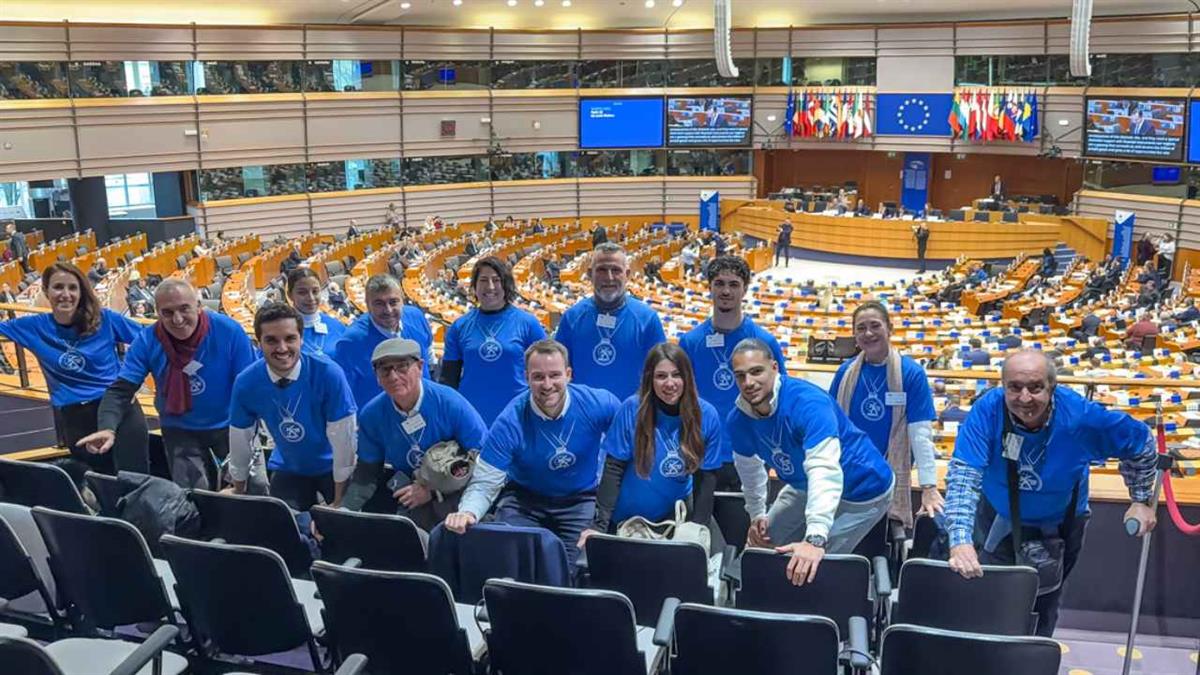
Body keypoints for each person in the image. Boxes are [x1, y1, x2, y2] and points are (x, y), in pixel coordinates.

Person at [943, 349, 1157, 637]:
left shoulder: (1081, 418)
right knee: (988, 599)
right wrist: (960, 539)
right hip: (996, 517)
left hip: (1059, 525)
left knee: (1044, 603)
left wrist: (1140, 498)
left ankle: (1033, 653)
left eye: (1036, 388)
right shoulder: (987, 409)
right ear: (1003, 387)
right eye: (1014, 387)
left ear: (1052, 387)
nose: (1025, 398)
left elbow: (1141, 441)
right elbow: (964, 475)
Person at [727, 339, 894, 585]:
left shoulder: (808, 403)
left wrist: (815, 537)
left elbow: (824, 470)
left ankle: (797, 602)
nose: (748, 382)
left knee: (810, 566)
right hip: (804, 484)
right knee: (761, 543)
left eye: (756, 371)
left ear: (774, 367)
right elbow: (750, 471)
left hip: (863, 489)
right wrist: (757, 515)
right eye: (740, 376)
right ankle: (746, 598)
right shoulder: (738, 420)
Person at [445, 339, 621, 568]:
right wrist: (468, 512)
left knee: (575, 568)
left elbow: (629, 442)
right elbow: (486, 481)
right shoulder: (510, 421)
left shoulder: (599, 404)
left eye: (555, 375)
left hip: (580, 499)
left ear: (568, 375)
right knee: (510, 563)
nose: (547, 385)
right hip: (525, 501)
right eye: (538, 377)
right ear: (526, 377)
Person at [80, 279, 257, 489]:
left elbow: (249, 385)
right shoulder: (148, 340)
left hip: (230, 426)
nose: (178, 319)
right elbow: (120, 391)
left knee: (251, 489)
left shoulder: (228, 331)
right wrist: (107, 428)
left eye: (184, 309)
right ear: (157, 313)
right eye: (168, 312)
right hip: (180, 431)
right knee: (193, 496)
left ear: (199, 306)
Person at [0, 262, 149, 474]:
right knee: (97, 481)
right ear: (45, 291)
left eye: (72, 288)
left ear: (81, 292)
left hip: (119, 409)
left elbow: (150, 341)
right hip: (75, 417)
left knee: (134, 479)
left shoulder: (105, 319)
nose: (66, 294)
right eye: (58, 287)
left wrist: (131, 380)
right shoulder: (33, 327)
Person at [579, 343, 723, 545]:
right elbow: (613, 469)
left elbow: (706, 478)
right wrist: (599, 526)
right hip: (628, 519)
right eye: (661, 376)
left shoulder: (707, 415)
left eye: (676, 375)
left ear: (687, 377)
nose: (670, 383)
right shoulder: (632, 409)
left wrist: (699, 529)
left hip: (675, 518)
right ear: (650, 379)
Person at [344, 338, 488, 530]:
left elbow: (484, 459)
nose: (393, 376)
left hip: (458, 494)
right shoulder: (372, 415)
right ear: (377, 376)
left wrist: (434, 491)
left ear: (420, 367)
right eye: (385, 369)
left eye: (402, 367)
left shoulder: (450, 403)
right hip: (411, 494)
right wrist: (343, 511)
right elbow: (366, 474)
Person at [227, 303, 357, 511]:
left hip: (334, 465)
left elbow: (344, 440)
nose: (282, 348)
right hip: (289, 466)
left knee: (342, 522)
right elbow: (240, 439)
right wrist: (238, 489)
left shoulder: (328, 374)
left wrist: (340, 501)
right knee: (283, 522)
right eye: (271, 340)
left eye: (290, 338)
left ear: (301, 339)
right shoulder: (246, 383)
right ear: (258, 343)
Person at [830, 302, 942, 530]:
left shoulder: (911, 373)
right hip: (850, 472)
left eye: (875, 326)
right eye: (861, 328)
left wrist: (929, 486)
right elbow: (830, 423)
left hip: (890, 473)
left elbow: (920, 434)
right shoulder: (844, 373)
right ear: (854, 335)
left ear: (889, 329)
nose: (868, 333)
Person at [679, 256, 787, 491]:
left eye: (734, 284)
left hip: (752, 452)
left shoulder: (765, 342)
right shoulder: (690, 342)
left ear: (745, 289)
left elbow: (781, 399)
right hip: (703, 453)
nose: (726, 291)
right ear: (709, 287)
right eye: (719, 283)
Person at [440, 257, 546, 426]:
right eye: (483, 280)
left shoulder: (528, 324)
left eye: (496, 280)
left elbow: (545, 373)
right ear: (474, 286)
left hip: (518, 418)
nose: (490, 287)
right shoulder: (459, 327)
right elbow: (448, 381)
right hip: (472, 419)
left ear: (506, 284)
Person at [554, 243, 666, 400]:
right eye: (601, 270)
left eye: (616, 270)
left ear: (627, 274)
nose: (609, 277)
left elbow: (661, 373)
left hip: (632, 412)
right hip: (584, 412)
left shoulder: (647, 319)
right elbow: (557, 372)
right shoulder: (571, 318)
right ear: (590, 274)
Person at [331, 273, 433, 409]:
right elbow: (341, 393)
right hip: (378, 418)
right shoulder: (350, 342)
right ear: (367, 305)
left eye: (393, 302)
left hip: (424, 408)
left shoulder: (416, 317)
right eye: (379, 304)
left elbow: (429, 358)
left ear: (403, 300)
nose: (388, 310)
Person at [286, 267, 346, 359]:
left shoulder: (336, 325)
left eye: (315, 291)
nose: (311, 298)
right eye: (302, 293)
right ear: (290, 295)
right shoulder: (280, 332)